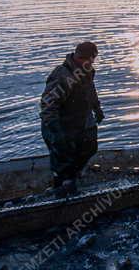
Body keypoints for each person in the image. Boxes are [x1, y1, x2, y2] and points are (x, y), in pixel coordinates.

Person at [39, 41, 105, 196]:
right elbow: (48, 105)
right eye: (89, 59)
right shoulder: (63, 75)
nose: (91, 62)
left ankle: (72, 179)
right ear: (81, 57)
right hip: (60, 123)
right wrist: (55, 128)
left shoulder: (86, 71)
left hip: (81, 120)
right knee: (63, 156)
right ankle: (61, 188)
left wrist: (97, 108)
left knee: (90, 147)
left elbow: (90, 92)